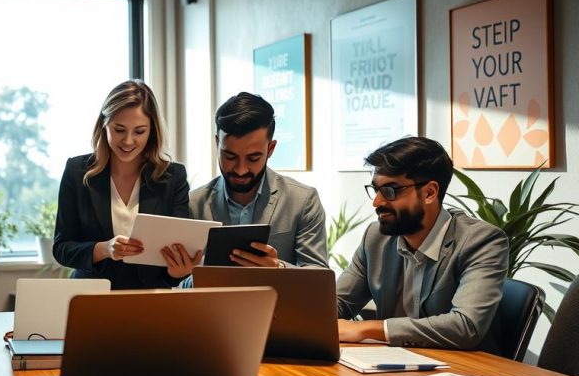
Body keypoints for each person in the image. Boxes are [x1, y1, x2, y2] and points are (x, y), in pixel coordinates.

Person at [336, 136, 509, 352]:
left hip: (464, 371)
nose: (377, 202)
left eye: (389, 191)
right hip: (389, 366)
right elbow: (337, 303)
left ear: (429, 193)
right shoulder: (376, 238)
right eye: (376, 190)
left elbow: (466, 326)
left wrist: (367, 329)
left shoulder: (480, 241)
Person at [53, 80, 196, 289]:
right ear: (104, 124)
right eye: (119, 129)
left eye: (139, 131)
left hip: (151, 300)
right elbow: (62, 248)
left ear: (152, 131)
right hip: (91, 297)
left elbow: (176, 255)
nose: (128, 141)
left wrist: (179, 271)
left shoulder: (173, 177)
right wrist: (105, 249)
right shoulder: (77, 172)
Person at [184, 92, 328, 277]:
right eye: (230, 156)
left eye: (253, 158)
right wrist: (193, 276)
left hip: (278, 306)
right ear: (217, 143)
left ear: (271, 149)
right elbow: (179, 283)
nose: (241, 169)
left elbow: (319, 278)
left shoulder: (302, 201)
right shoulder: (194, 205)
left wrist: (279, 269)